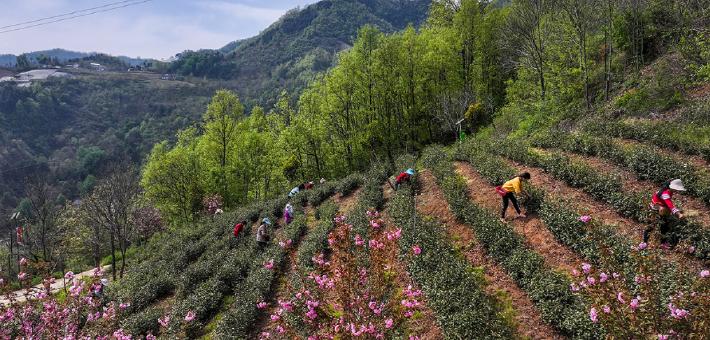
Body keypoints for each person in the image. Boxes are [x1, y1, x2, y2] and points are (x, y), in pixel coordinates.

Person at [644, 179, 686, 246]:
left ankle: (663, 243)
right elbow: (670, 205)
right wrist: (678, 214)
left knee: (664, 225)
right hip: (654, 209)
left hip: (660, 208)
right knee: (651, 226)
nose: (677, 191)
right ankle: (645, 242)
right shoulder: (665, 193)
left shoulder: (669, 191)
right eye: (677, 189)